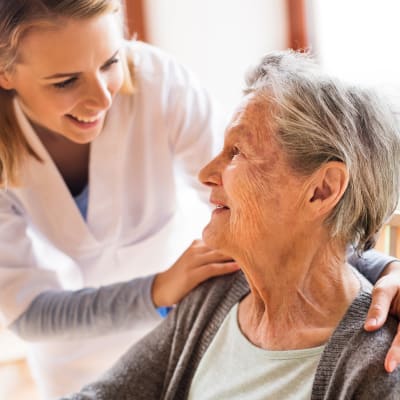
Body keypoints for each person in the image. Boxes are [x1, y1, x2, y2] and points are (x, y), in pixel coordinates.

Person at [0, 0, 399, 398]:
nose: (104, 97)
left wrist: (385, 268)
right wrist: (156, 291)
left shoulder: (158, 83)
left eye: (110, 62)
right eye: (65, 81)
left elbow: (287, 208)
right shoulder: (213, 302)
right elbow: (30, 310)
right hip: (81, 354)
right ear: (5, 73)